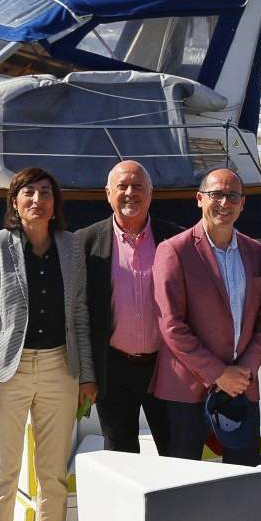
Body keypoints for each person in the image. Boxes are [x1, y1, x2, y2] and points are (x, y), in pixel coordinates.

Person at [0, 165, 97, 521]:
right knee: (3, 471)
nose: (37, 200)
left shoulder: (72, 248)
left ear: (55, 203)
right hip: (8, 372)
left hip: (61, 368)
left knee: (53, 472)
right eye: (28, 193)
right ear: (15, 202)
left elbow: (79, 314)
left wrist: (86, 375)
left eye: (45, 193)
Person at [151, 167, 261, 466]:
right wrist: (219, 374)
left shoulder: (257, 252)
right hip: (187, 389)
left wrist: (243, 370)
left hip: (242, 386)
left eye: (233, 195)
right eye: (216, 194)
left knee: (245, 475)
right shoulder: (174, 251)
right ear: (199, 199)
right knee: (183, 481)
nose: (225, 202)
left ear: (243, 203)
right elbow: (171, 325)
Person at [79, 160, 170, 456]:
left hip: (166, 367)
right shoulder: (84, 243)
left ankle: (176, 504)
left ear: (151, 193)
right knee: (120, 453)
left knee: (177, 451)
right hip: (113, 367)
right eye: (122, 186)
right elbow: (76, 313)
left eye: (138, 186)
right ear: (108, 193)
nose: (130, 192)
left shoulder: (175, 240)